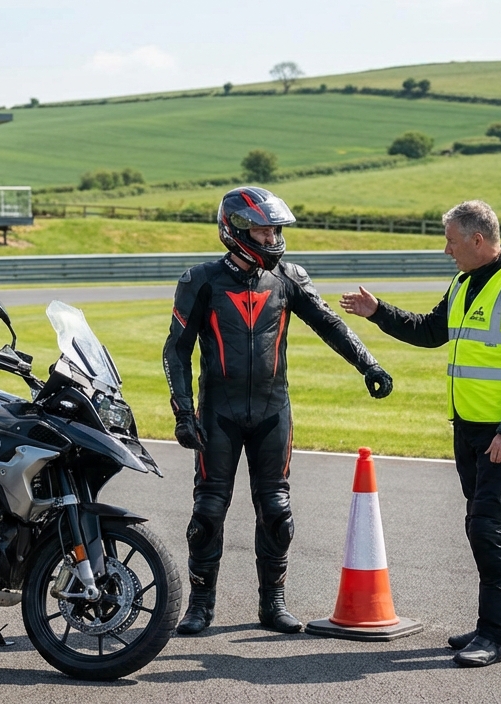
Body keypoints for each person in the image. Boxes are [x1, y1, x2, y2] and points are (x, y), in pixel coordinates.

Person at [164, 186, 393, 635]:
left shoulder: (290, 278)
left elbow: (330, 324)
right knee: (208, 513)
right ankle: (200, 606)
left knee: (277, 511)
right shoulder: (201, 280)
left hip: (273, 411)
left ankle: (273, 604)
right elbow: (176, 351)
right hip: (219, 413)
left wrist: (369, 363)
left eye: (275, 231)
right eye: (265, 231)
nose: (273, 239)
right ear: (236, 230)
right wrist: (183, 413)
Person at [339, 200, 501, 667]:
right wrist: (379, 311)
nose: (446, 251)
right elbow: (430, 331)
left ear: (478, 240)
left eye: (452, 242)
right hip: (469, 429)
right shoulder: (463, 282)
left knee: (488, 529)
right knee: (494, 527)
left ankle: (494, 636)